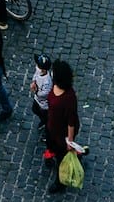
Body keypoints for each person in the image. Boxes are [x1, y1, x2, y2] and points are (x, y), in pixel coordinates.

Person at [44, 60, 84, 194]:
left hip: (63, 134)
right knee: (50, 144)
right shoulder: (54, 85)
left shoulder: (69, 98)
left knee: (61, 159)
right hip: (51, 126)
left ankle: (60, 182)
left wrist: (70, 141)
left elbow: (71, 122)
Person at [29, 54, 54, 134]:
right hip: (37, 100)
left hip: (44, 106)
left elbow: (44, 94)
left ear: (43, 69)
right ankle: (44, 121)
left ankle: (47, 131)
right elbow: (35, 76)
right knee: (35, 109)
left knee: (46, 118)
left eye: (38, 65)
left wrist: (35, 90)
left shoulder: (47, 81)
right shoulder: (39, 72)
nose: (36, 66)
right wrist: (33, 82)